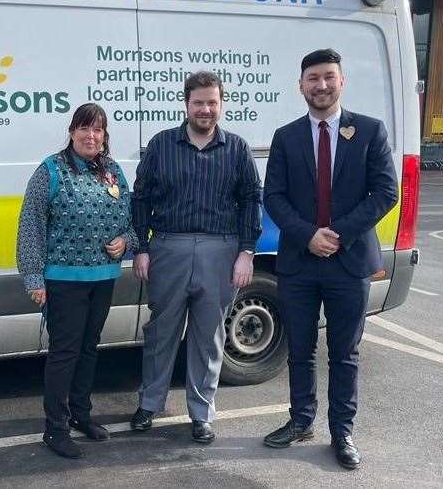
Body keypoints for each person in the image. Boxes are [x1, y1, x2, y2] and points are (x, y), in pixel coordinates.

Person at [262, 49, 398, 469]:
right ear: (300, 85)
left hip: (349, 261)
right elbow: (274, 197)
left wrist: (337, 235)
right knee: (299, 350)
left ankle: (343, 432)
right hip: (300, 262)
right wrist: (308, 236)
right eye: (312, 78)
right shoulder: (286, 137)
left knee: (344, 353)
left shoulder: (370, 131)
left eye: (328, 77)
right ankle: (301, 420)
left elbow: (386, 192)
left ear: (342, 81)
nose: (320, 85)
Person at [129, 71, 262, 443]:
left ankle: (202, 413)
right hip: (168, 247)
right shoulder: (161, 145)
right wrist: (141, 247)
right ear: (186, 104)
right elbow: (140, 199)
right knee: (161, 331)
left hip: (221, 250)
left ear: (221, 104)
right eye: (199, 102)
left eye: (212, 103)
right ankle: (149, 404)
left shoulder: (236, 148)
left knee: (209, 336)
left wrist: (246, 253)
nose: (206, 109)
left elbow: (252, 200)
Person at [17, 103, 137, 459]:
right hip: (63, 279)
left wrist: (126, 241)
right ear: (71, 132)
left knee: (89, 347)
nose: (91, 136)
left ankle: (81, 416)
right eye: (84, 128)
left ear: (105, 136)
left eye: (98, 130)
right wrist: (33, 277)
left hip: (103, 277)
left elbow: (130, 221)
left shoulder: (113, 172)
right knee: (64, 353)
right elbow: (31, 227)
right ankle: (55, 429)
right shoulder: (51, 171)